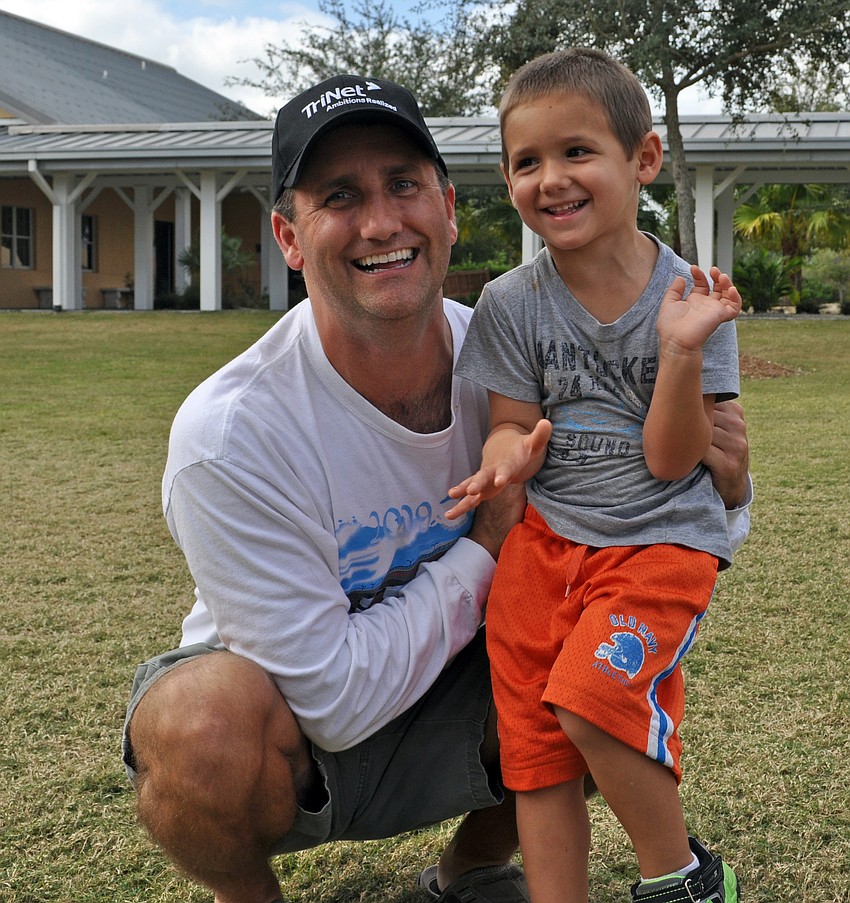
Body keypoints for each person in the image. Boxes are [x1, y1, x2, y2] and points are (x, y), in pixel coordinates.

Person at [120, 73, 752, 903]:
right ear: (289, 236)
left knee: (594, 664)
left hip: (459, 686)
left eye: (404, 185)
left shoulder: (515, 354)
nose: (382, 222)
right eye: (340, 196)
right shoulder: (229, 434)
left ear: (449, 208)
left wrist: (728, 487)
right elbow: (331, 703)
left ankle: (471, 869)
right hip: (296, 731)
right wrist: (487, 541)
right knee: (197, 724)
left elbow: (650, 512)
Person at [446, 49, 745, 903]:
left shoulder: (692, 296)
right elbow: (511, 424)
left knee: (588, 696)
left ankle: (684, 880)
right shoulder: (510, 302)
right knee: (535, 750)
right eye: (526, 161)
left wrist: (679, 352)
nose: (552, 179)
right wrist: (504, 456)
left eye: (577, 151)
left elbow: (673, 459)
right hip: (543, 548)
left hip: (656, 542)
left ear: (643, 159)